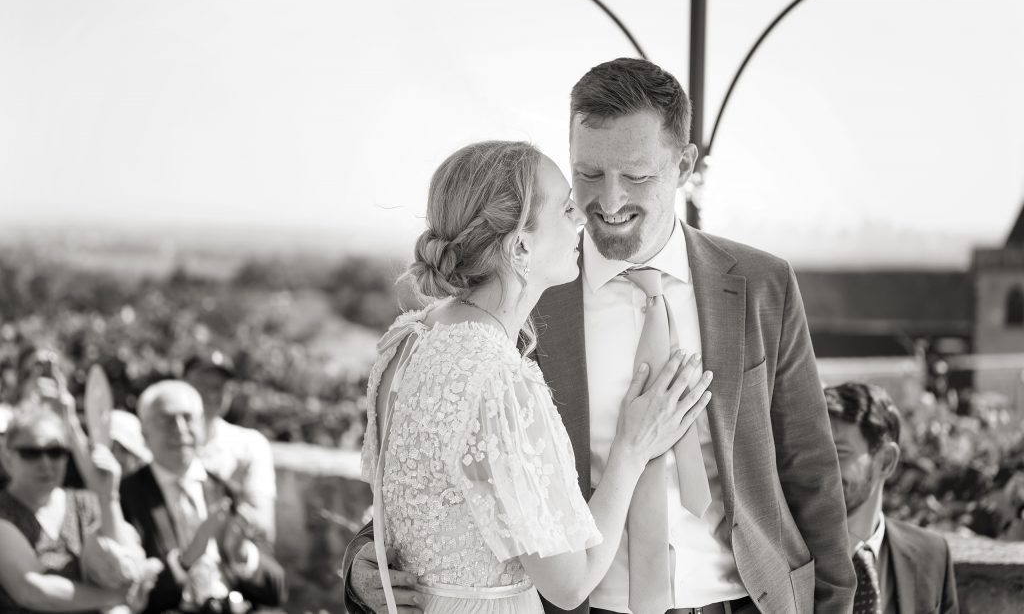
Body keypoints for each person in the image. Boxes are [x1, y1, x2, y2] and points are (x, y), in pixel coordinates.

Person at [344, 59, 855, 614]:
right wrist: (362, 562)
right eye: (588, 175)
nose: (607, 204)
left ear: (683, 164)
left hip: (747, 602)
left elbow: (811, 471)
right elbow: (448, 469)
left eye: (636, 176)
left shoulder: (763, 283)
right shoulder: (527, 293)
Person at [352, 140, 713, 614]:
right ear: (521, 244)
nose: (582, 217)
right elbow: (569, 584)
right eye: (566, 209)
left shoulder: (406, 342)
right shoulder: (500, 381)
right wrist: (632, 448)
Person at [119, 380, 286, 614]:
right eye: (167, 420)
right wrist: (185, 561)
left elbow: (276, 589)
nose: (180, 429)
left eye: (188, 418)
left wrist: (241, 554)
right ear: (145, 433)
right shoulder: (125, 495)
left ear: (202, 425)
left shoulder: (226, 490)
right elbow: (127, 591)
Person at [0, 404, 155, 613]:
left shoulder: (85, 503)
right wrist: (116, 597)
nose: (46, 463)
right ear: (7, 457)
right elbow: (31, 591)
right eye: (31, 453)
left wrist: (108, 497)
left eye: (56, 452)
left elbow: (126, 565)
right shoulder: (4, 512)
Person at [825, 382, 959, 613]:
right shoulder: (786, 554)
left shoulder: (932, 556)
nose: (821, 467)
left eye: (839, 453)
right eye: (814, 452)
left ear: (885, 461)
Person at [183, 351, 277, 544]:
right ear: (181, 385)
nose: (210, 394)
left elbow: (265, 530)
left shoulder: (251, 444)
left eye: (219, 387)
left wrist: (227, 502)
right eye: (201, 384)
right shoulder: (159, 439)